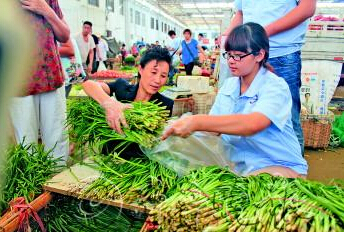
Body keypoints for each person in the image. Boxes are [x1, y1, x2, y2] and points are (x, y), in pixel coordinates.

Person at [162, 23, 308, 178]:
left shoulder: (275, 86)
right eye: (229, 55)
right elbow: (214, 127)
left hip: (279, 168)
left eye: (238, 56)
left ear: (259, 55)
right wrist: (177, 125)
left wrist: (197, 121)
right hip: (242, 170)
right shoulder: (229, 86)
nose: (231, 61)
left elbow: (253, 123)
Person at [222, 0, 316, 155]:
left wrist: (262, 34)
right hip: (248, 55)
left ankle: (294, 172)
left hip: (282, 54)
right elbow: (241, 13)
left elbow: (307, 8)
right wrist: (228, 36)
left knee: (287, 120)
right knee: (245, 111)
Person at [82, 47, 174, 158]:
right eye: (153, 72)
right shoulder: (121, 88)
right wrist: (109, 104)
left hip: (139, 165)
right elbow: (88, 85)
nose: (158, 80)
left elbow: (157, 142)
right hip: (110, 158)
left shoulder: (165, 105)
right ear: (140, 69)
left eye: (163, 76)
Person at [10, 0, 70, 162]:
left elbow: (65, 35)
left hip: (51, 77)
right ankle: (33, 186)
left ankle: (58, 185)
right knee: (26, 144)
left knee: (57, 140)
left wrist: (46, 10)